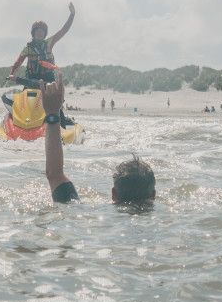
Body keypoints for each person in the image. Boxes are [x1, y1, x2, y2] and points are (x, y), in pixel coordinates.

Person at [42, 72, 155, 206]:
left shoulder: (87, 213)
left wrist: (52, 113)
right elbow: (54, 174)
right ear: (154, 196)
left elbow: (54, 174)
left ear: (114, 194)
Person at [8, 2, 75, 85]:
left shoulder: (49, 43)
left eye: (42, 31)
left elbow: (63, 30)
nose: (40, 33)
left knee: (57, 91)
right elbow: (18, 63)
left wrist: (72, 15)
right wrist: (12, 73)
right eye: (38, 31)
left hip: (48, 80)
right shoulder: (27, 49)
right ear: (33, 33)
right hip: (32, 80)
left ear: (45, 34)